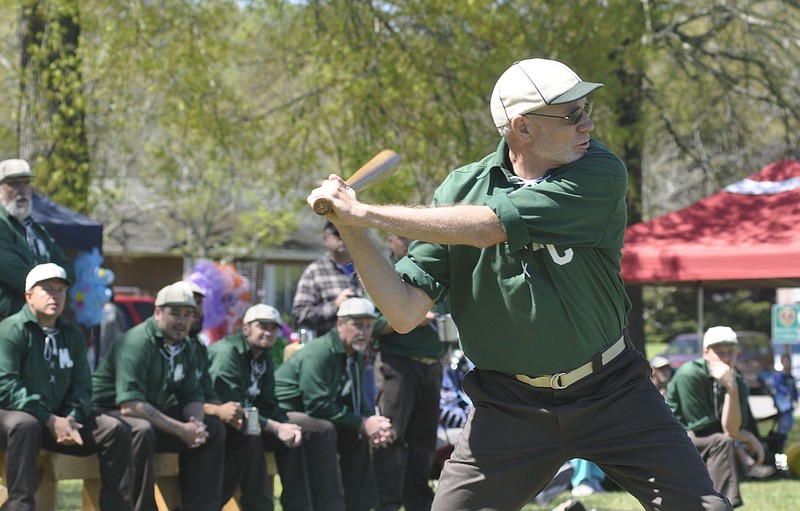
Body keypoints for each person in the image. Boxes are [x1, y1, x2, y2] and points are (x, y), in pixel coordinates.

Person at [306, 58, 731, 510]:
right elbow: (404, 310)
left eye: (586, 109)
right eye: (571, 115)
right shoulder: (460, 190)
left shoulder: (599, 171)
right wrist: (349, 223)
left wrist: (364, 212)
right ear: (522, 127)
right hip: (510, 406)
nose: (587, 124)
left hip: (612, 390)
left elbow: (489, 226)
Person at [0, 263, 134, 510]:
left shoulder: (71, 334)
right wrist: (50, 419)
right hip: (16, 417)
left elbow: (83, 385)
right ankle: (20, 506)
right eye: (48, 289)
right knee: (25, 424)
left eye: (61, 290)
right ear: (29, 295)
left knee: (115, 429)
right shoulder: (11, 330)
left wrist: (70, 417)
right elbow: (7, 387)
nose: (56, 296)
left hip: (62, 420)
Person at [92, 282, 226, 511]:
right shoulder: (136, 342)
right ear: (157, 313)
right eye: (175, 313)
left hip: (150, 411)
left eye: (188, 315)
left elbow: (191, 394)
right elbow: (130, 405)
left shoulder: (186, 346)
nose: (182, 321)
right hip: (109, 412)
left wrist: (195, 425)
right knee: (141, 430)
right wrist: (180, 430)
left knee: (213, 431)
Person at [208, 303, 344, 510]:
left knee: (303, 430)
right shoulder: (228, 352)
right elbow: (233, 406)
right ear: (245, 328)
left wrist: (284, 425)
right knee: (253, 432)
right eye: (262, 326)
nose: (268, 333)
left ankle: (303, 506)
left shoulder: (264, 357)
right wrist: (276, 427)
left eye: (273, 328)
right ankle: (260, 506)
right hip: (222, 421)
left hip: (252, 419)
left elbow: (269, 403)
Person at [275, 297, 395, 511]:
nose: (364, 331)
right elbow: (316, 405)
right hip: (285, 412)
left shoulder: (354, 354)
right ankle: (330, 506)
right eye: (357, 325)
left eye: (369, 326)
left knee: (357, 436)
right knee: (324, 429)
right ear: (340, 324)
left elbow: (355, 399)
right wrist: (362, 423)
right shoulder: (321, 352)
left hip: (315, 414)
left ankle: (361, 506)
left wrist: (371, 424)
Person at [371, 233, 446, 511]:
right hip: (398, 363)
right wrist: (411, 317)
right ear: (391, 239)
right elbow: (374, 325)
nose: (410, 242)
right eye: (404, 237)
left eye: (414, 236)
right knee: (391, 436)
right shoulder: (384, 272)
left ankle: (417, 501)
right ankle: (387, 502)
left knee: (424, 440)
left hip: (432, 365)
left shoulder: (433, 267)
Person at [666, 326, 775, 508]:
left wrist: (731, 389)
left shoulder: (737, 381)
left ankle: (722, 505)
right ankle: (719, 505)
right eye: (719, 352)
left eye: (730, 352)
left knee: (722, 440)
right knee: (721, 442)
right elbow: (701, 427)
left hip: (705, 439)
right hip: (675, 436)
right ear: (705, 353)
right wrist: (746, 436)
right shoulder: (690, 374)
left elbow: (730, 429)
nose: (725, 358)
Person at [0, 159, 74, 320]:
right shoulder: (2, 224)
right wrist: (55, 286)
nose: (22, 190)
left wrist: (50, 287)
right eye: (14, 184)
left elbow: (68, 270)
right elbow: (17, 276)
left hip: (40, 325)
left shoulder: (36, 229)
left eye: (26, 183)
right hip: (6, 324)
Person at [291, 221, 363, 337]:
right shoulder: (314, 271)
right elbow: (299, 315)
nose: (342, 237)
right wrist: (335, 305)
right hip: (330, 347)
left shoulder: (366, 269)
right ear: (325, 239)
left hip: (365, 349)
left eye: (346, 233)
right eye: (337, 233)